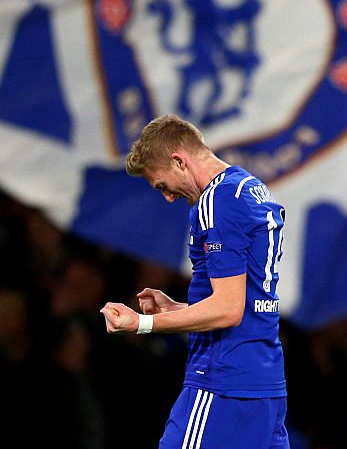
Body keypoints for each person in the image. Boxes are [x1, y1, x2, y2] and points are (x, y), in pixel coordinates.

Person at [100, 114, 288, 449]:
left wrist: (143, 323)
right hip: (264, 387)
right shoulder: (251, 189)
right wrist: (178, 309)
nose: (168, 197)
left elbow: (228, 310)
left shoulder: (216, 203)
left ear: (178, 160)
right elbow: (242, 304)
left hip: (222, 384)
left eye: (162, 185)